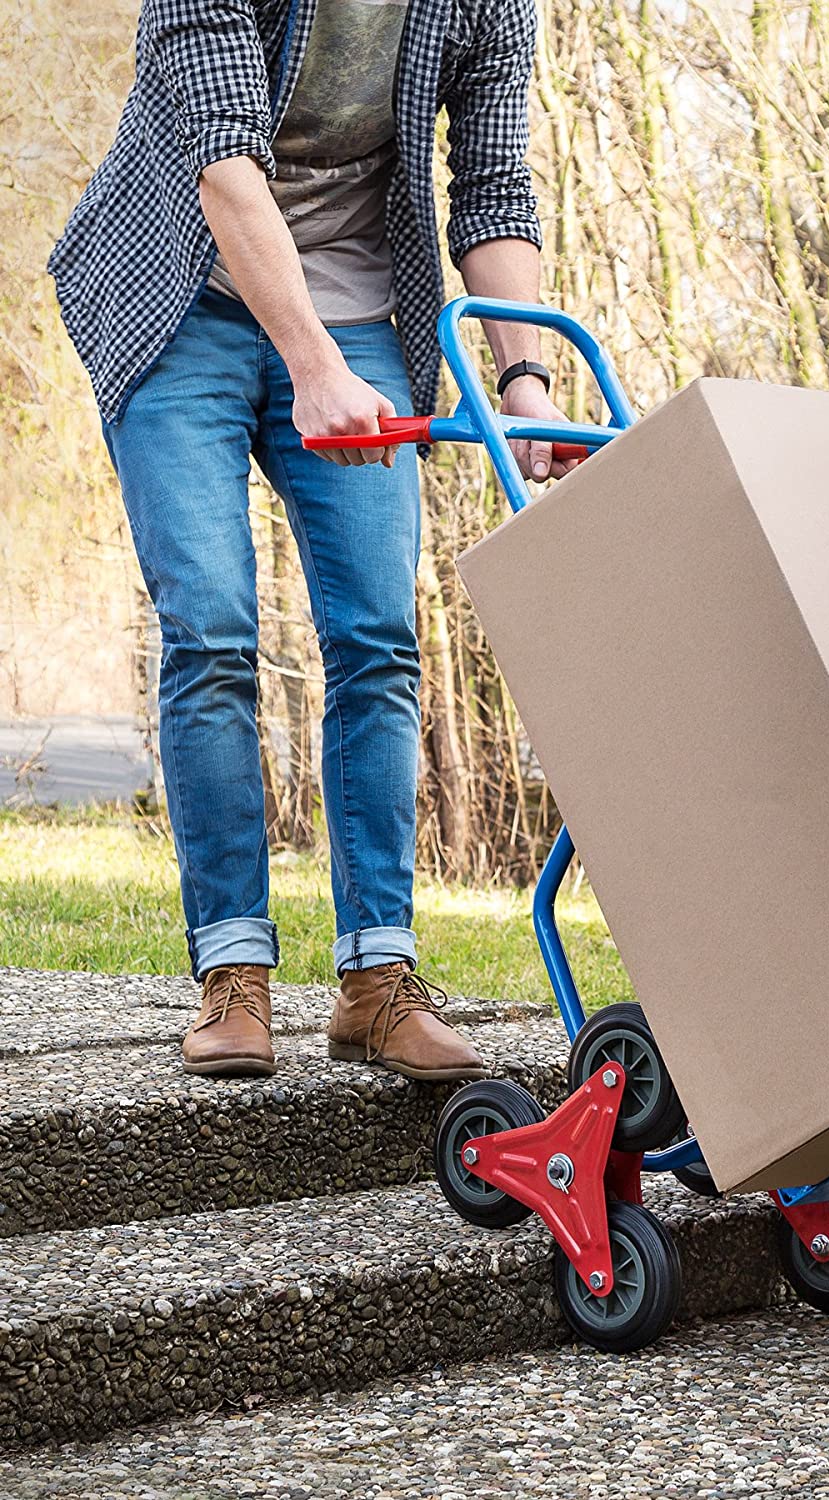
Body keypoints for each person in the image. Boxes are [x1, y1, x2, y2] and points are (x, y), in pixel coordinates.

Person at [48, 0, 574, 1080]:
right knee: (212, 627)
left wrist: (523, 378)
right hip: (178, 297)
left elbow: (491, 184)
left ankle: (377, 983)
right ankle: (232, 975)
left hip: (359, 306)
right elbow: (222, 156)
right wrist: (311, 367)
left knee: (379, 635)